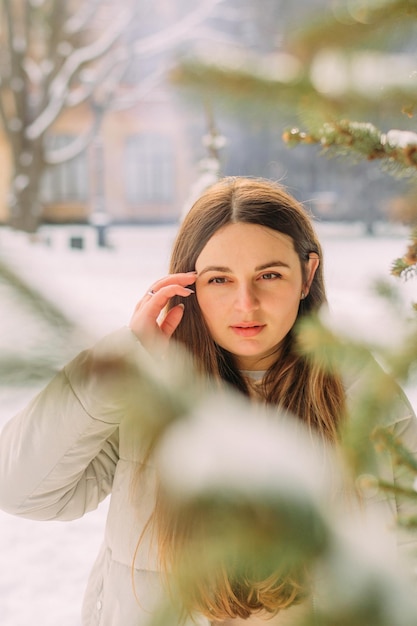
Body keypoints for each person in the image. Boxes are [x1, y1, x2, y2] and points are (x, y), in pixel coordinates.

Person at [0, 176, 416, 626]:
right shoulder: (150, 391)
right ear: (187, 285)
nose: (246, 304)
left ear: (307, 275)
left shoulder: (363, 394)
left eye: (269, 275)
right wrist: (117, 363)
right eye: (219, 279)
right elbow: (23, 492)